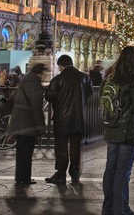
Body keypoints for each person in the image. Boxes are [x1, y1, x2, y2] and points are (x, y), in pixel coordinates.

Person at [101, 46, 134, 215]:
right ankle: (121, 210)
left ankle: (108, 209)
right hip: (128, 131)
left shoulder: (109, 78)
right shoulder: (133, 80)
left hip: (112, 129)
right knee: (123, 173)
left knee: (110, 171)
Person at [45, 54, 93, 184]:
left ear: (61, 66)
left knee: (61, 147)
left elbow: (49, 97)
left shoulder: (57, 79)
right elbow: (90, 93)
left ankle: (61, 174)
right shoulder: (85, 78)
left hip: (62, 119)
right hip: (78, 118)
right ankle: (75, 173)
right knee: (75, 147)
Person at [9, 62, 46, 186]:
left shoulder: (24, 82)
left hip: (19, 121)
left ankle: (19, 177)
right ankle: (25, 178)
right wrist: (40, 126)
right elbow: (36, 108)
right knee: (27, 152)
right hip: (28, 122)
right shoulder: (35, 85)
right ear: (41, 73)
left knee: (20, 152)